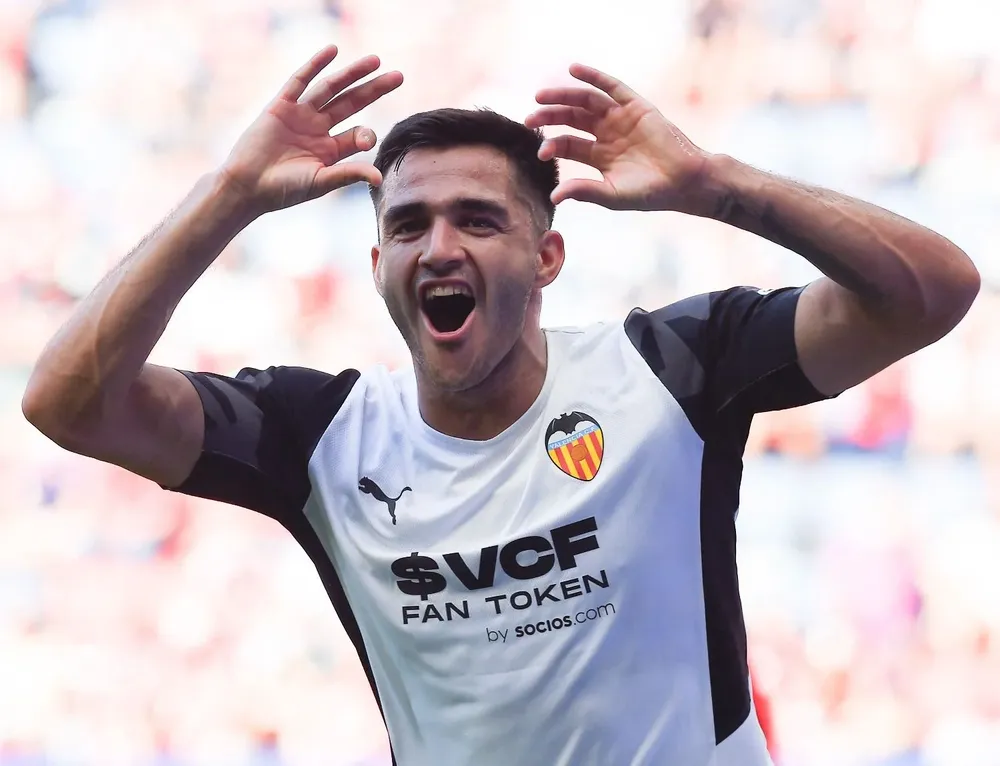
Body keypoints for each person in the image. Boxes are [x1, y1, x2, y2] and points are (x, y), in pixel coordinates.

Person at [22, 44, 979, 766]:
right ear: (379, 265)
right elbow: (70, 403)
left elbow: (934, 291)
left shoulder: (672, 370)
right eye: (409, 225)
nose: (440, 247)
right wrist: (229, 194)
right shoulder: (320, 439)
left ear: (547, 256)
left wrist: (717, 185)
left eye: (478, 219)